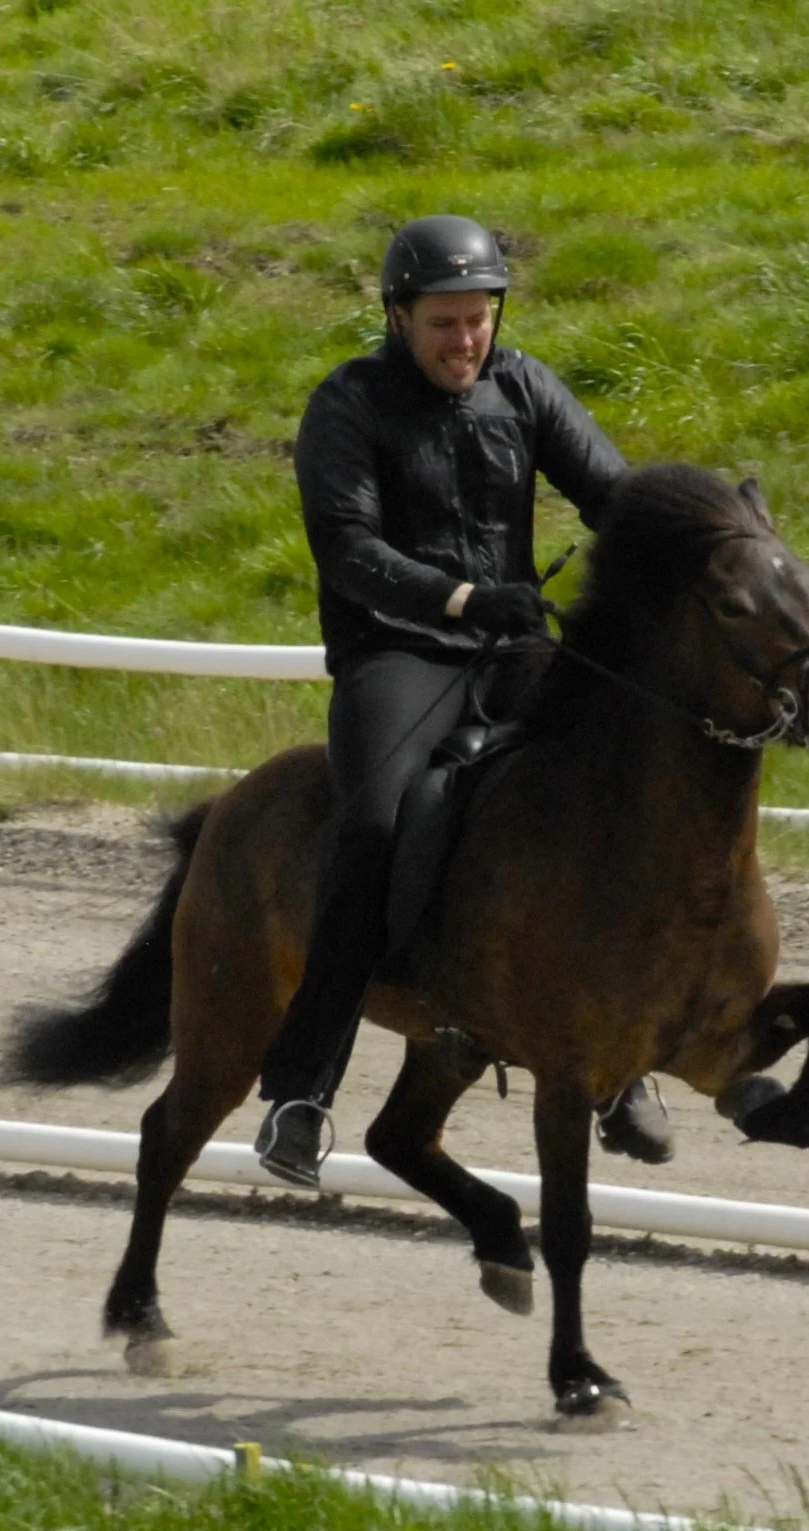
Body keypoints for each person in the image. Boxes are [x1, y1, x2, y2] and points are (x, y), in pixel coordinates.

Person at [253, 212, 675, 1189]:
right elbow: (350, 553)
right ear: (398, 317)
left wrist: (695, 539)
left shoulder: (524, 385)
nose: (466, 342)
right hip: (399, 653)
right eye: (445, 323)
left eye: (480, 320)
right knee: (368, 823)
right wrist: (462, 597)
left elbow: (613, 492)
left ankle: (620, 1062)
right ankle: (301, 1092)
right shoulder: (346, 405)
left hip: (514, 647)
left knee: (619, 792)